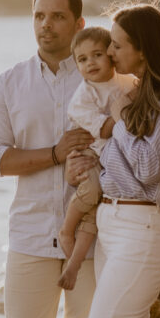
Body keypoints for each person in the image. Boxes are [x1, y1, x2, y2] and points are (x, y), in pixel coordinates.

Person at [69, 1, 160, 318]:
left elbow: (147, 167)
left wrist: (118, 120)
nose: (110, 53)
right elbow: (125, 157)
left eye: (117, 45)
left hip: (140, 230)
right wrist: (87, 160)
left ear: (143, 50)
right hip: (113, 224)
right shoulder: (140, 93)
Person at [0, 0, 99, 318]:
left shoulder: (102, 81)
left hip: (93, 240)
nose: (46, 24)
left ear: (79, 25)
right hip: (31, 236)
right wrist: (55, 154)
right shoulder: (9, 83)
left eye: (57, 16)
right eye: (39, 16)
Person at [57, 26, 136, 291]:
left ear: (111, 55)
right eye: (82, 59)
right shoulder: (82, 97)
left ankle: (74, 265)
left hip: (111, 156)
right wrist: (126, 107)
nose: (90, 63)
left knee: (94, 215)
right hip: (91, 152)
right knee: (92, 191)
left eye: (97, 54)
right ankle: (67, 229)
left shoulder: (127, 82)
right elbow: (104, 129)